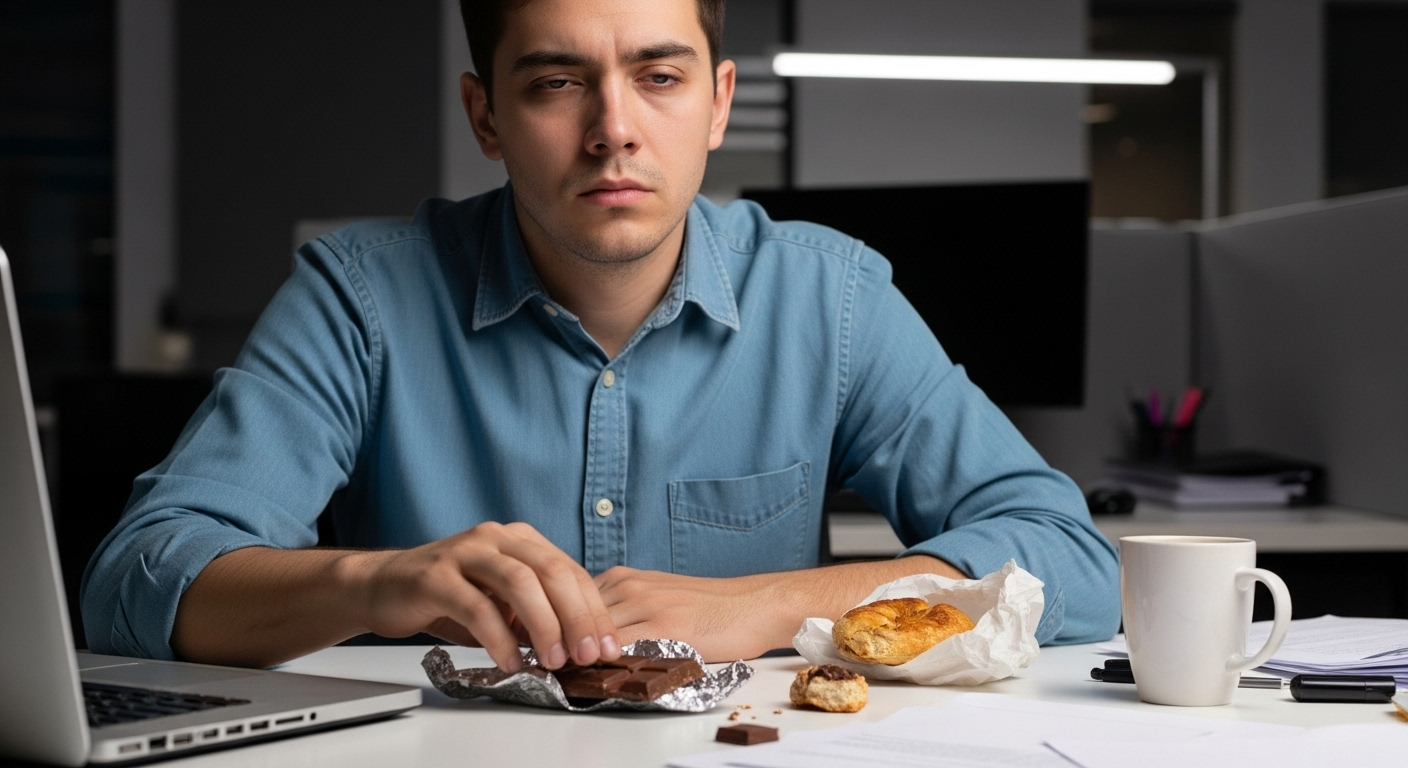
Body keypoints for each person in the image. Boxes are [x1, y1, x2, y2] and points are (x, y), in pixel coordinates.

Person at [82, 0, 1119, 673]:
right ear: (486, 118)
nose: (612, 128)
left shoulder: (827, 297)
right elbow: (139, 581)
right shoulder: (361, 296)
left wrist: (766, 605)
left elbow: (1067, 557)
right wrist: (378, 583)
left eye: (659, 77)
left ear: (718, 104)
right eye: (555, 82)